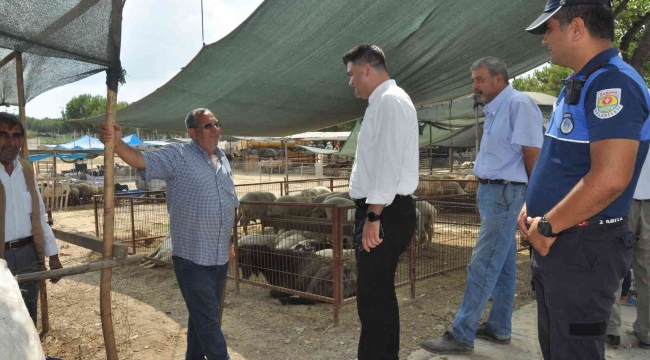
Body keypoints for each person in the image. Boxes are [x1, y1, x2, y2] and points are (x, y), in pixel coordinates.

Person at [522, 1, 650, 358]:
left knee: (574, 349)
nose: (544, 39)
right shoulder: (582, 80)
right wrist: (531, 206)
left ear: (576, 28)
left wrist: (547, 227)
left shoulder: (614, 83)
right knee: (558, 346)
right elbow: (561, 161)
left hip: (581, 243)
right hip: (563, 239)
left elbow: (610, 178)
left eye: (549, 28)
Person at [421, 57, 544, 355]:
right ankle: (500, 327)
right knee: (501, 264)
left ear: (498, 79)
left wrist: (533, 198)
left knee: (482, 263)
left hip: (506, 193)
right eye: (473, 79)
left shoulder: (519, 105)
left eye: (479, 79)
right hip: (493, 193)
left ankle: (461, 335)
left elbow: (533, 154)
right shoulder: (494, 109)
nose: (474, 85)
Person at [100, 108, 238, 360]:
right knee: (209, 324)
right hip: (192, 258)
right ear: (193, 132)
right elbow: (141, 160)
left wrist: (228, 243)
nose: (216, 129)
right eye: (208, 126)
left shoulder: (223, 160)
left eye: (217, 124)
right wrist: (117, 143)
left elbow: (228, 204)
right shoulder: (179, 155)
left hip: (218, 256)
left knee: (203, 319)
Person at [343, 43, 419, 360]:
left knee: (372, 299)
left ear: (367, 69)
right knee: (380, 295)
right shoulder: (384, 102)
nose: (350, 82)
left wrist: (373, 218)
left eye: (351, 75)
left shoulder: (389, 101)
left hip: (384, 211)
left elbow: (387, 164)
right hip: (385, 209)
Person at [0, 112, 62, 325]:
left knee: (28, 311)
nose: (11, 142)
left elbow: (39, 216)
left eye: (17, 136)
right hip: (1, 258)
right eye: (3, 135)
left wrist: (53, 255)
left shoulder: (26, 170)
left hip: (29, 255)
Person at [607, 150, 650, 349]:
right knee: (647, 274)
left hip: (622, 200)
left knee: (613, 269)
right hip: (631, 200)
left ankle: (611, 329)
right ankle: (646, 333)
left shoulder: (631, 118)